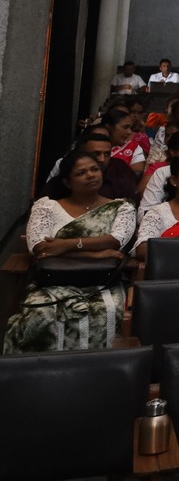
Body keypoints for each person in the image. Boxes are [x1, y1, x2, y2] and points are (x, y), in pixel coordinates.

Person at [3, 150, 137, 354]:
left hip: (102, 282)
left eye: (94, 169)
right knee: (41, 314)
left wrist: (65, 245)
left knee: (104, 313)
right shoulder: (47, 206)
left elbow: (115, 241)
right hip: (51, 281)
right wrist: (94, 254)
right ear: (67, 182)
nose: (91, 175)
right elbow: (39, 247)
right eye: (81, 173)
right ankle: (41, 376)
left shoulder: (121, 207)